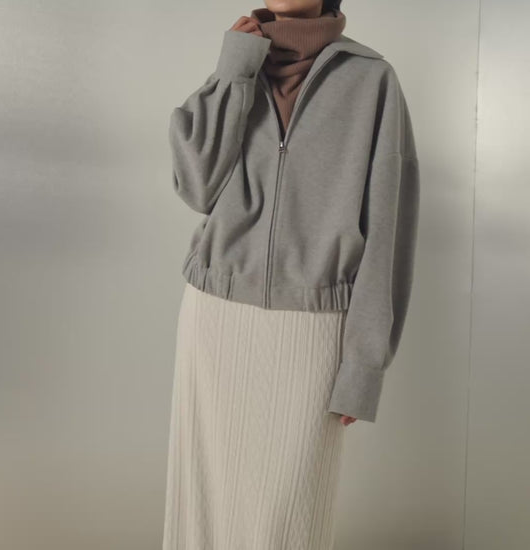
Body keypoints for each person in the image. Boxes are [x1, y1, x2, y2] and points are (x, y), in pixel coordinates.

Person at [162, 1, 420, 548]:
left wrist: (364, 366)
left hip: (312, 329)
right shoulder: (241, 63)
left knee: (290, 522)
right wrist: (234, 70)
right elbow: (196, 186)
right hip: (215, 318)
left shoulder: (372, 80)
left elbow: (388, 232)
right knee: (202, 511)